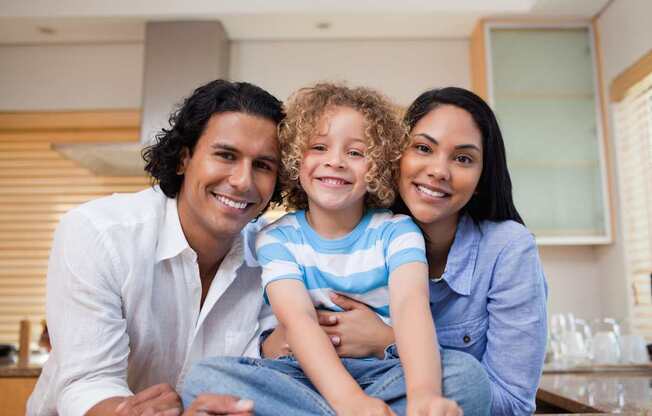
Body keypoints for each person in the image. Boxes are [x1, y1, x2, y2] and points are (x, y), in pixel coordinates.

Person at [182, 84, 483, 416]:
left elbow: (411, 305)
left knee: (466, 377)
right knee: (204, 380)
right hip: (298, 375)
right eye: (320, 147)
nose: (335, 161)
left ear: (378, 165)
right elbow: (298, 320)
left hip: (382, 373)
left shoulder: (397, 231)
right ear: (296, 159)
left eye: (355, 153)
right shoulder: (277, 238)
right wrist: (350, 404)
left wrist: (424, 396)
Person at [27, 79, 285, 416]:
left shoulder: (277, 256)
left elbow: (265, 369)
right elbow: (87, 381)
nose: (243, 181)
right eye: (226, 155)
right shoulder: (99, 233)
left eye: (263, 165)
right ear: (183, 159)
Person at [311, 87, 548, 415]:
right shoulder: (356, 227)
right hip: (342, 399)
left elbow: (513, 403)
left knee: (465, 379)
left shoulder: (507, 248)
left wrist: (387, 343)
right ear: (396, 156)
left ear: (481, 176)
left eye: (463, 158)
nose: (439, 170)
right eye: (423, 148)